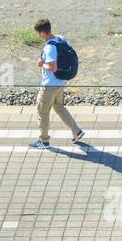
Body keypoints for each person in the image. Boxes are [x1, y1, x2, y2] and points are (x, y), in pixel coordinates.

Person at [29, 17, 85, 149]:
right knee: (59, 107)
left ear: (42, 33)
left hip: (50, 85)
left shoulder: (49, 47)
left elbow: (52, 67)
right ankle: (77, 131)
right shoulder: (61, 38)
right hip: (61, 82)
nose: (39, 36)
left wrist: (42, 64)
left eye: (38, 34)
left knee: (42, 111)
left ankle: (44, 141)